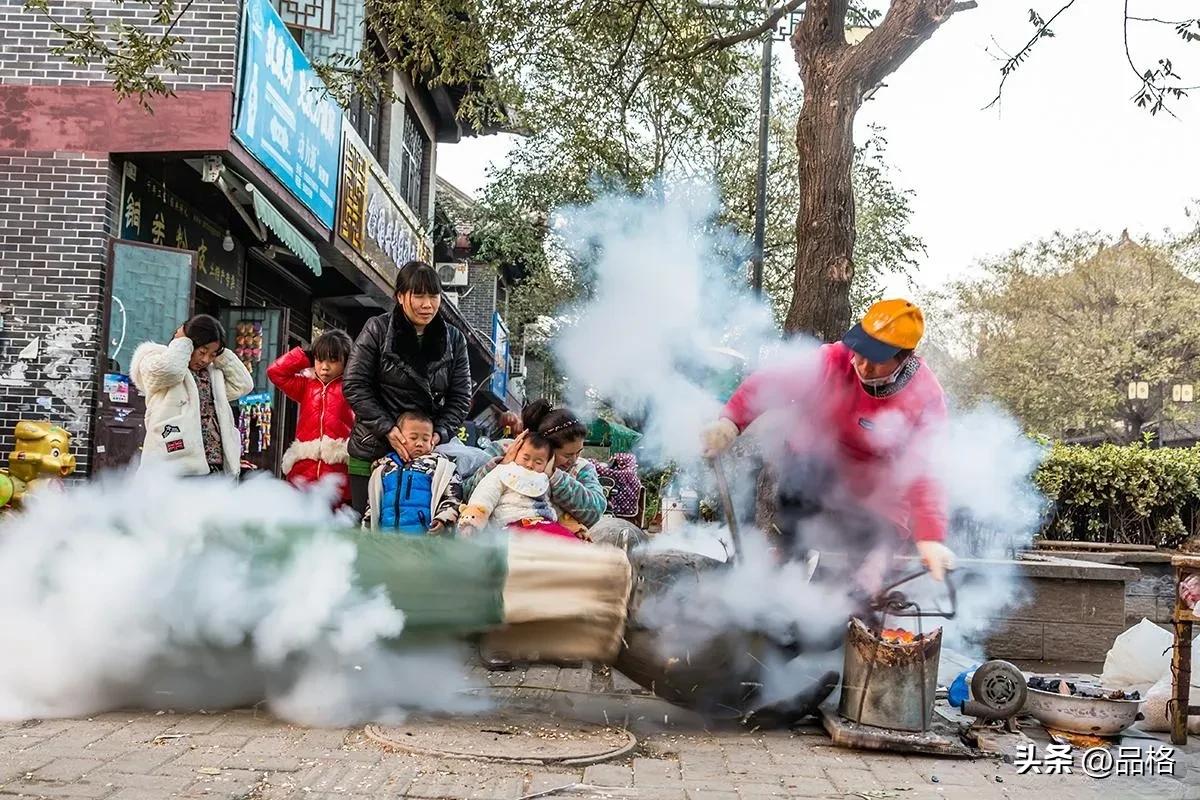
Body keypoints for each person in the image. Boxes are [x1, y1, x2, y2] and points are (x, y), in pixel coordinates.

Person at [701, 299, 956, 583]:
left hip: (874, 491)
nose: (862, 364)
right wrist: (730, 422)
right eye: (861, 352)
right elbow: (772, 381)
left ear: (904, 358)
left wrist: (931, 536)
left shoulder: (925, 397)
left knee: (858, 581)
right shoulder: (833, 360)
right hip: (811, 469)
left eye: (877, 359)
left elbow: (926, 470)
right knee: (796, 517)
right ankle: (786, 575)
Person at [343, 260, 472, 516]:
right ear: (400, 296)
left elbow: (460, 397)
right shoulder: (377, 329)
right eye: (419, 295)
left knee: (417, 535)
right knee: (371, 533)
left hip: (425, 455)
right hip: (372, 448)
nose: (427, 304)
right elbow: (354, 384)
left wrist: (438, 434)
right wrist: (388, 429)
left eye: (433, 296)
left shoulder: (454, 339)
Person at [130, 314, 254, 477]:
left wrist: (220, 352)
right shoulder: (155, 360)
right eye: (202, 351)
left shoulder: (213, 374)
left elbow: (244, 384)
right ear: (190, 345)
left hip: (214, 463)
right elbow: (172, 370)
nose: (205, 359)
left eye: (212, 355)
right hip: (173, 464)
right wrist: (183, 340)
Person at [465, 400, 607, 538]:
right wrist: (503, 464)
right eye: (567, 455)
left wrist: (555, 477)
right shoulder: (504, 450)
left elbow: (595, 512)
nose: (574, 459)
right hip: (496, 542)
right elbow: (466, 493)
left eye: (579, 452)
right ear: (546, 447)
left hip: (552, 547)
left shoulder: (581, 468)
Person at [266, 330, 355, 506]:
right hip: (303, 470)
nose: (325, 367)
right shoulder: (305, 386)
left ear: (347, 361)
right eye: (320, 359)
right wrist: (306, 354)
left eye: (333, 360)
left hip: (338, 470)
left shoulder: (353, 388)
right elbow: (275, 372)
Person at [458, 432, 577, 539]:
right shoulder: (503, 471)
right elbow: (485, 495)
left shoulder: (544, 479)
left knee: (568, 541)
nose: (530, 465)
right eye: (525, 458)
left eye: (538, 462)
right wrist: (472, 520)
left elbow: (553, 507)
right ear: (516, 452)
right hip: (510, 524)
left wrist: (574, 527)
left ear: (547, 463)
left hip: (544, 524)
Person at [363, 411, 462, 534]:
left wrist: (444, 519)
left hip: (424, 539)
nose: (419, 443)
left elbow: (453, 497)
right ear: (399, 437)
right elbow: (372, 505)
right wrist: (366, 533)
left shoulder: (440, 467)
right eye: (413, 438)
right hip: (387, 540)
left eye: (425, 439)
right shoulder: (383, 469)